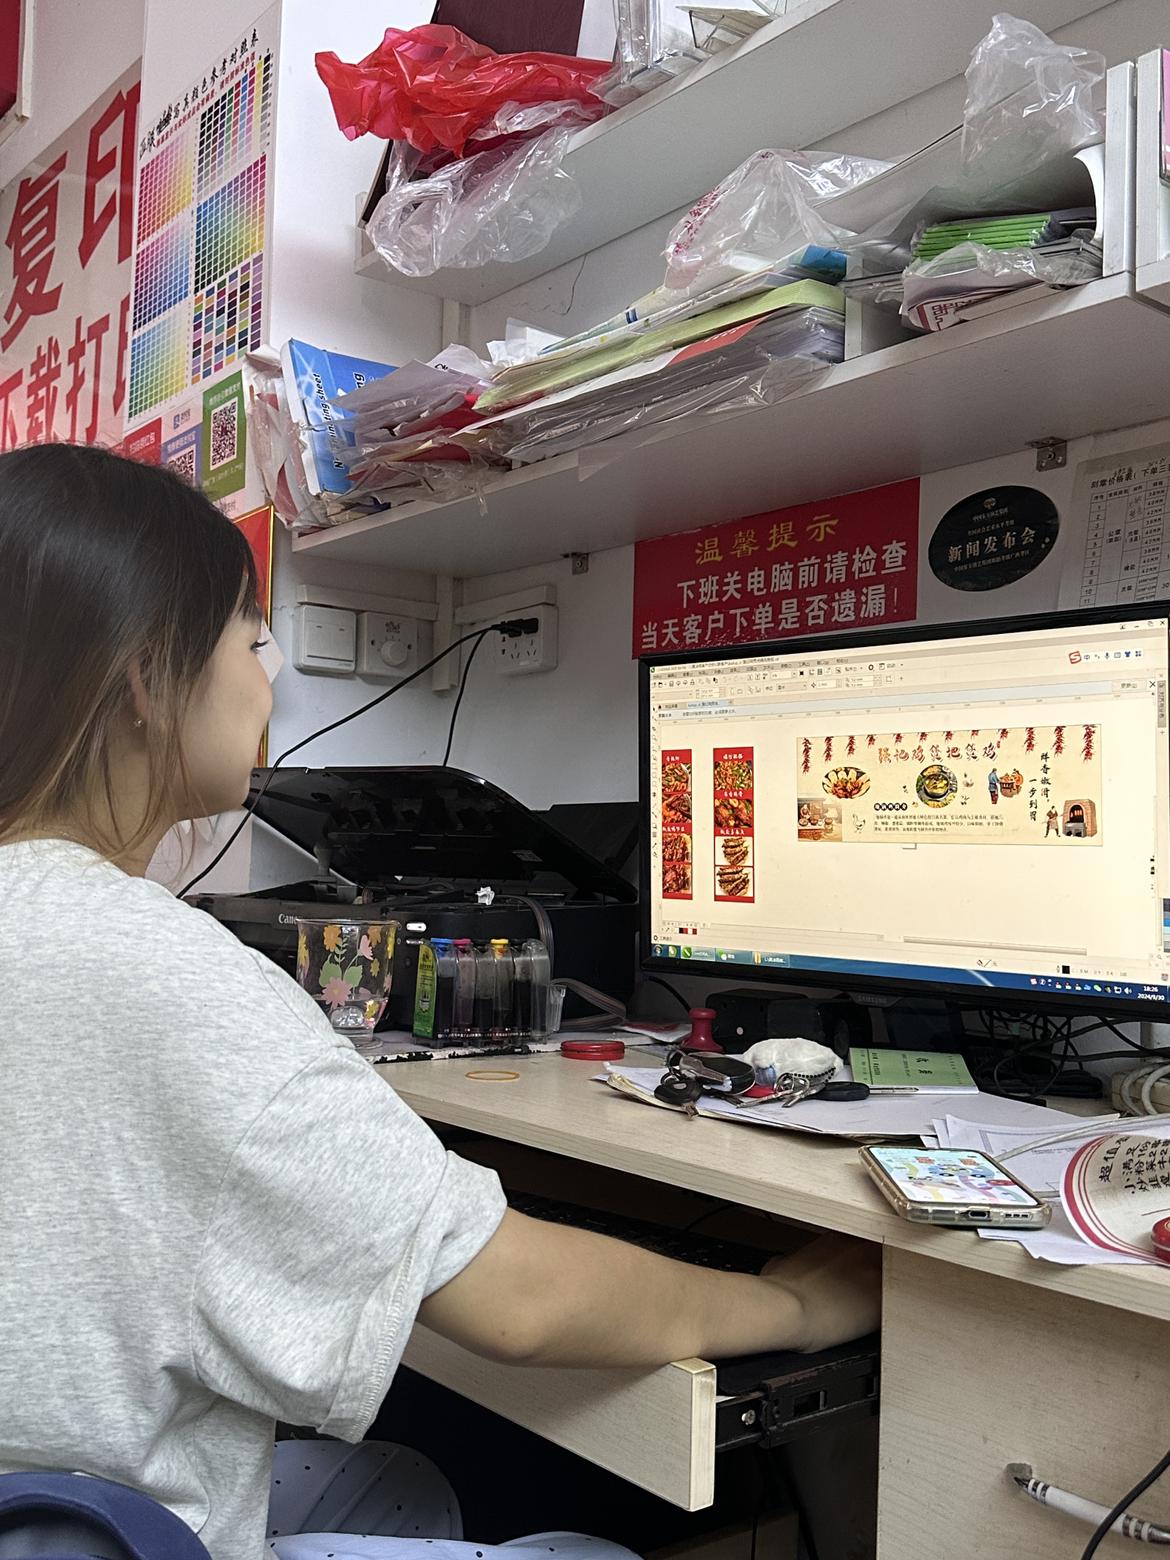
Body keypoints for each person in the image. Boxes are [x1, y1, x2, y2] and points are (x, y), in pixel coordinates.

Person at [0, 446, 879, 1560]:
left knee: (405, 1484)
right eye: (252, 640)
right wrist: (800, 1306)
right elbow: (516, 1302)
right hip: (97, 1532)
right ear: (144, 678)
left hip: (48, 1490)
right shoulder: (166, 975)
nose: (270, 679)